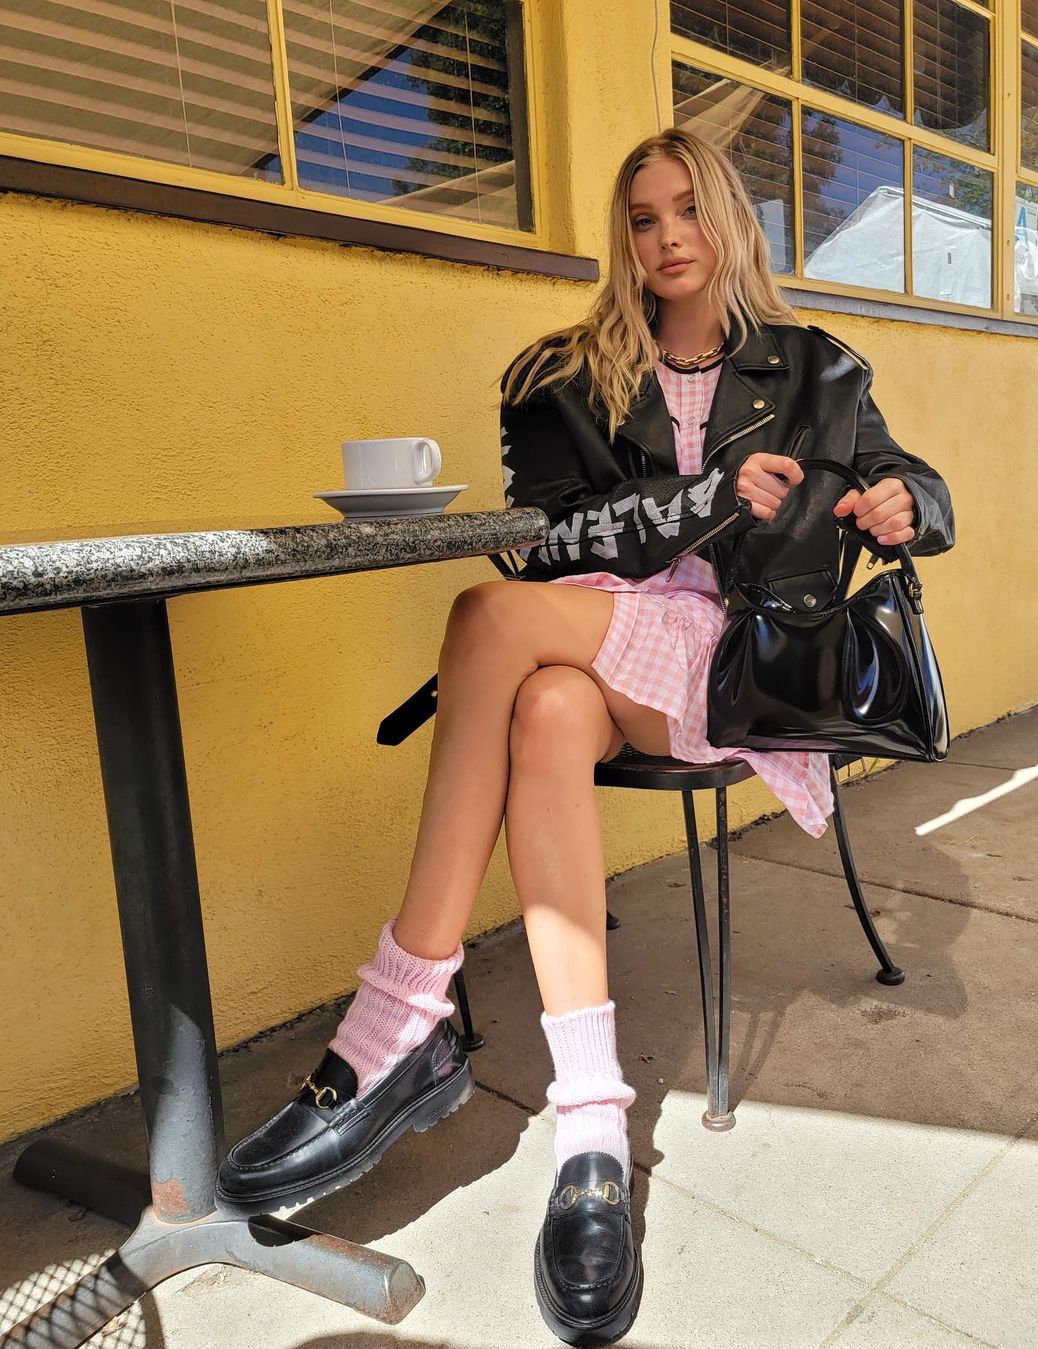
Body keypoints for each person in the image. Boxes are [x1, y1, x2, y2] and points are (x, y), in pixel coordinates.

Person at [216, 128, 954, 1346]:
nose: (666, 237)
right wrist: (699, 501)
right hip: (601, 649)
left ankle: (398, 1017)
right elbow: (547, 541)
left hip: (738, 664)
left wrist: (902, 502)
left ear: (729, 219)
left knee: (484, 618)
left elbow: (916, 480)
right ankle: (592, 1126)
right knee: (546, 703)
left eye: (688, 209)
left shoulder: (817, 368)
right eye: (642, 217)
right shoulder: (566, 374)